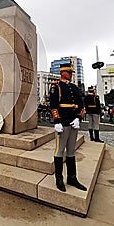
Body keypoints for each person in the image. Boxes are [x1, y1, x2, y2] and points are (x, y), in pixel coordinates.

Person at [49, 62, 87, 192]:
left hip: (73, 122)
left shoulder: (74, 87)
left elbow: (81, 105)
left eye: (71, 73)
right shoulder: (56, 86)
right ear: (62, 73)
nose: (71, 75)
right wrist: (57, 121)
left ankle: (72, 177)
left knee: (71, 151)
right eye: (69, 72)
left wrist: (79, 118)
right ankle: (59, 179)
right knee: (59, 151)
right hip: (63, 122)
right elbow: (53, 105)